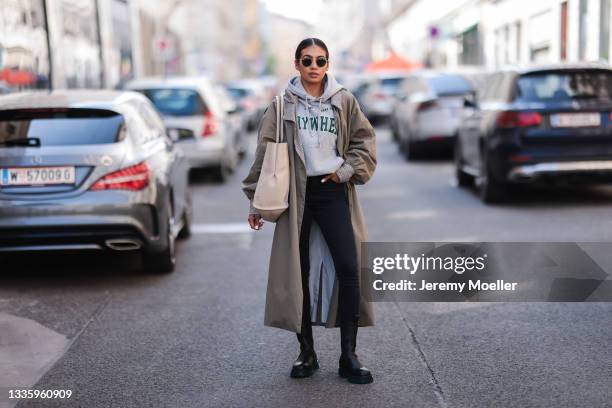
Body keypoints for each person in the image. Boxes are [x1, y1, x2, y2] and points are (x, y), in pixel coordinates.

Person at [241, 38, 376, 384]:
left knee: (350, 267)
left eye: (320, 60)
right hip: (296, 195)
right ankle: (307, 352)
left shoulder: (344, 101)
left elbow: (364, 143)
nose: (314, 66)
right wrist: (257, 200)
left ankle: (349, 355)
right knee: (297, 272)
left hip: (332, 192)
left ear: (327, 65)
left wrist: (344, 171)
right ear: (297, 64)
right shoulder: (281, 104)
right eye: (307, 60)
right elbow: (265, 151)